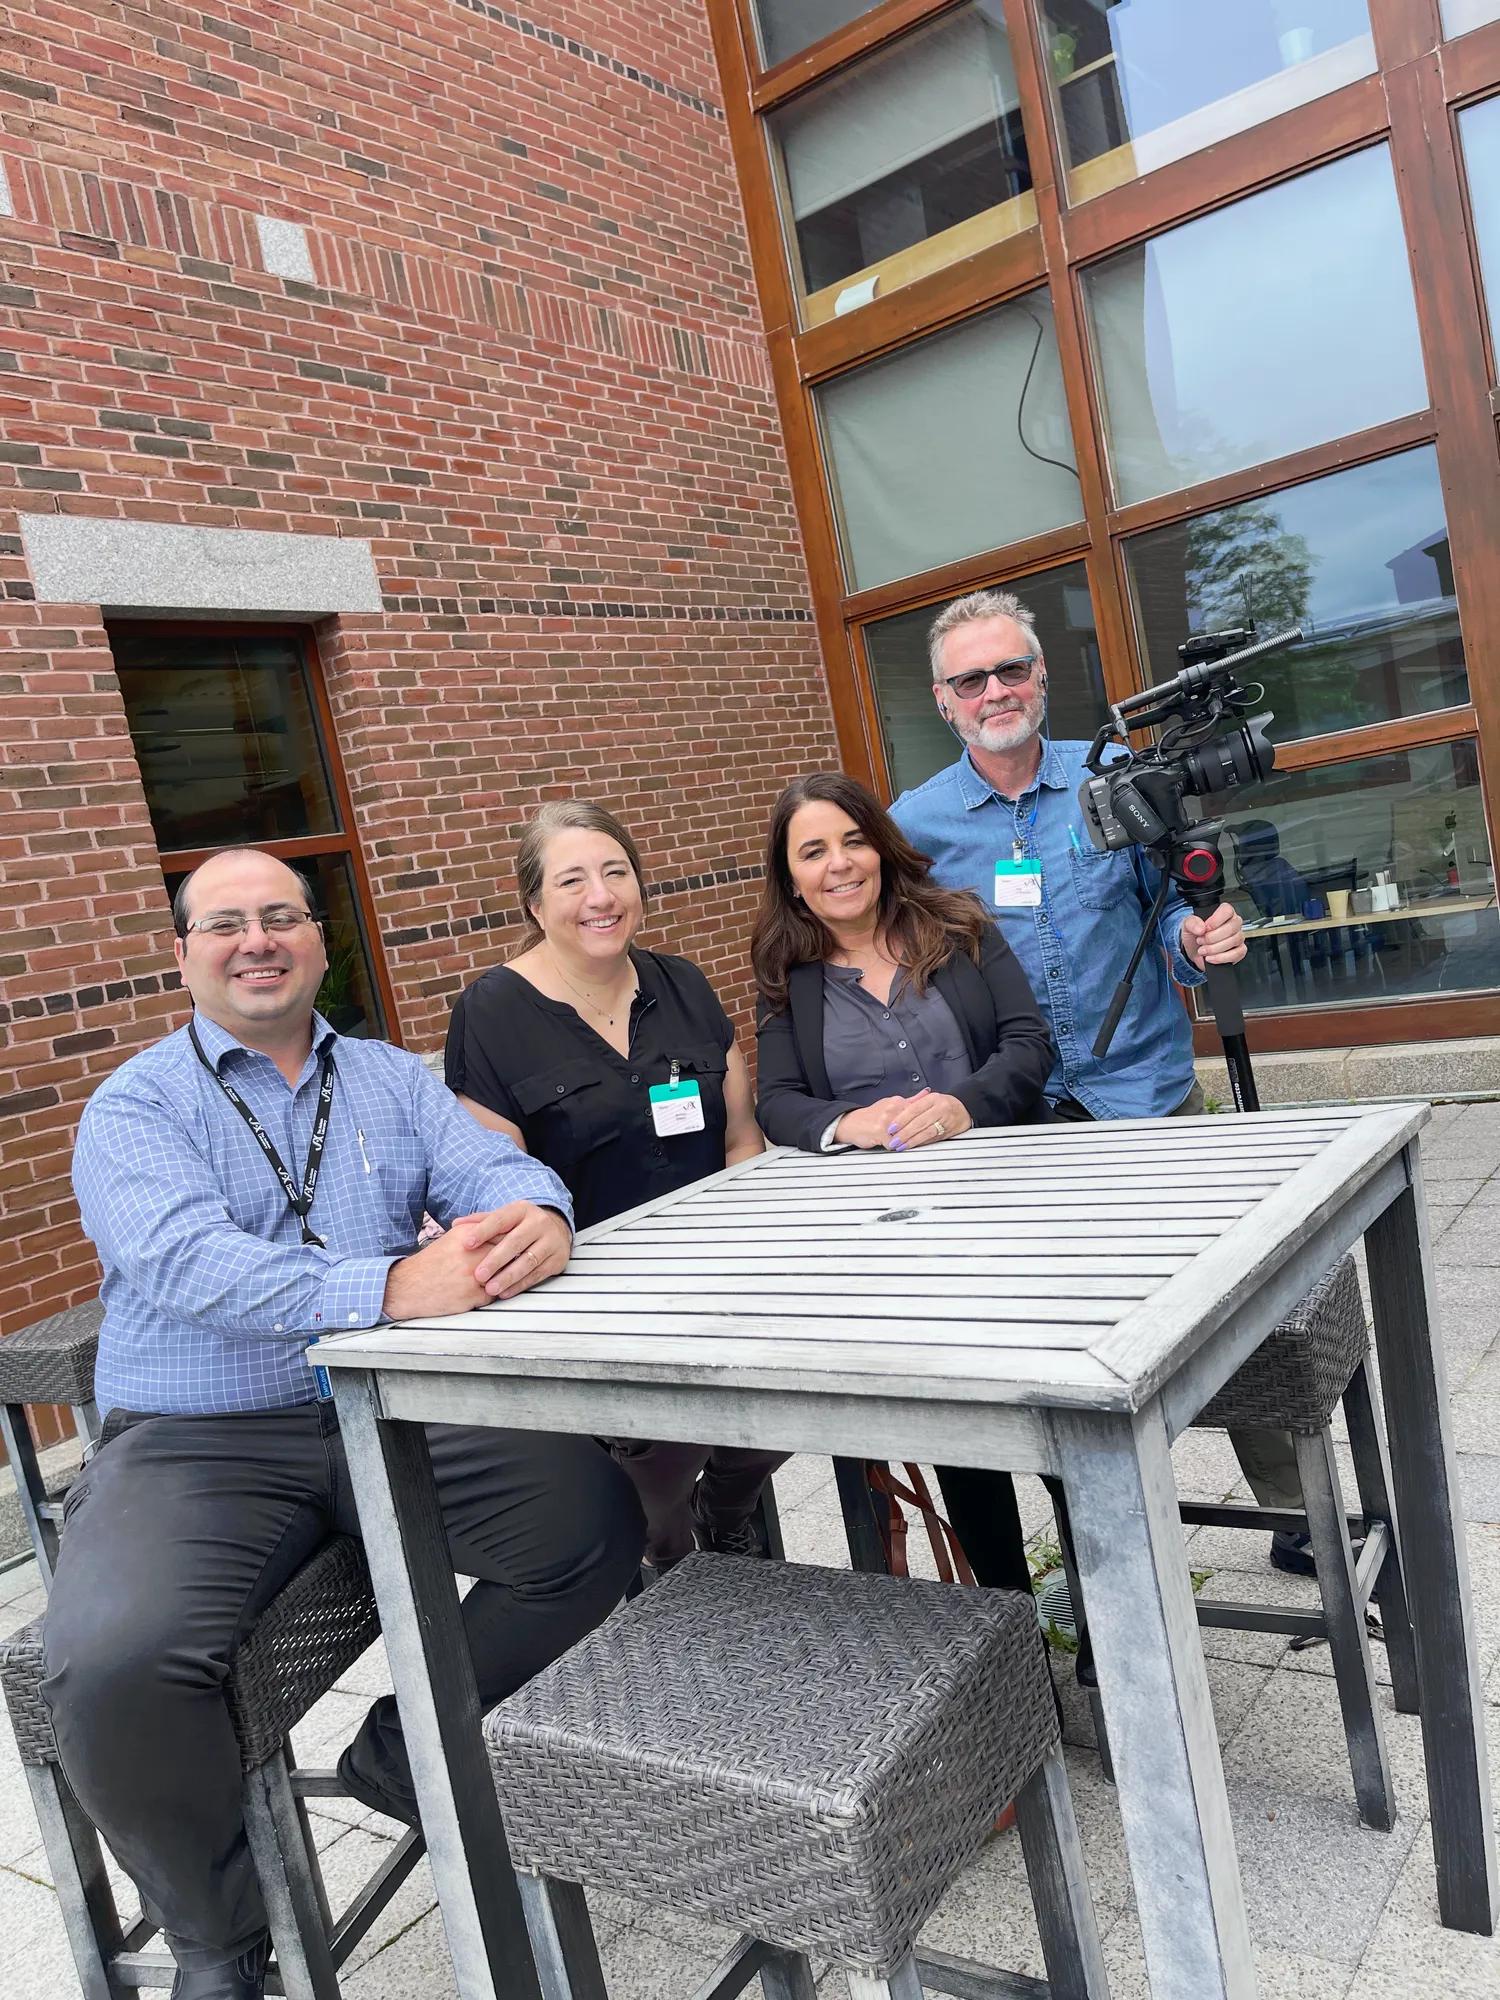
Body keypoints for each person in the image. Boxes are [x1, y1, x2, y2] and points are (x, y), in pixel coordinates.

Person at [46, 847, 645, 2000]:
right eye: (225, 923)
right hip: (200, 1432)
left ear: (323, 940)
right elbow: (182, 1262)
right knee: (111, 1662)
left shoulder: (387, 1076)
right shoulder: (135, 1104)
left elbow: (489, 1167)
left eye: (283, 916)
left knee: (590, 1526)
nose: (257, 939)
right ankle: (219, 1941)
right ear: (182, 954)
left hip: (390, 1402)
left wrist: (543, 1219)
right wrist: (388, 1288)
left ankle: (404, 1750)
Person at [891, 587, 1312, 1573]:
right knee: (1069, 1339)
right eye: (971, 678)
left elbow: (1166, 904)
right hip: (1022, 1120)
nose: (995, 689)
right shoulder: (916, 822)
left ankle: (1300, 1510)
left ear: (1040, 676)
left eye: (1010, 669)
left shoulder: (1115, 775)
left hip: (1146, 1092)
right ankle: (1113, 1538)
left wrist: (1198, 936)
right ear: (945, 701)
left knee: (1234, 1306)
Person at [445, 799, 786, 1574]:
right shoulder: (492, 1014)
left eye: (615, 872)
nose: (600, 896)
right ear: (534, 903)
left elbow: (740, 1140)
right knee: (651, 1503)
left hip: (717, 1277)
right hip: (596, 1301)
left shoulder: (684, 984)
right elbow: (496, 1189)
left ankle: (724, 1512)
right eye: (571, 881)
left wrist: (753, 1262)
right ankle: (665, 1572)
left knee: (789, 1416)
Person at [752, 771, 1054, 1601]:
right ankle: (1011, 1624)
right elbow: (777, 1102)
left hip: (1011, 1211)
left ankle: (1108, 1612)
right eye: (813, 851)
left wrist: (963, 1105)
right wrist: (843, 1125)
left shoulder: (957, 926)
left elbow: (1029, 1045)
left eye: (852, 841)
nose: (838, 864)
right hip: (897, 1239)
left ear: (880, 849)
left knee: (1058, 1419)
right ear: (791, 875)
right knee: (963, 1440)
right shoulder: (787, 971)